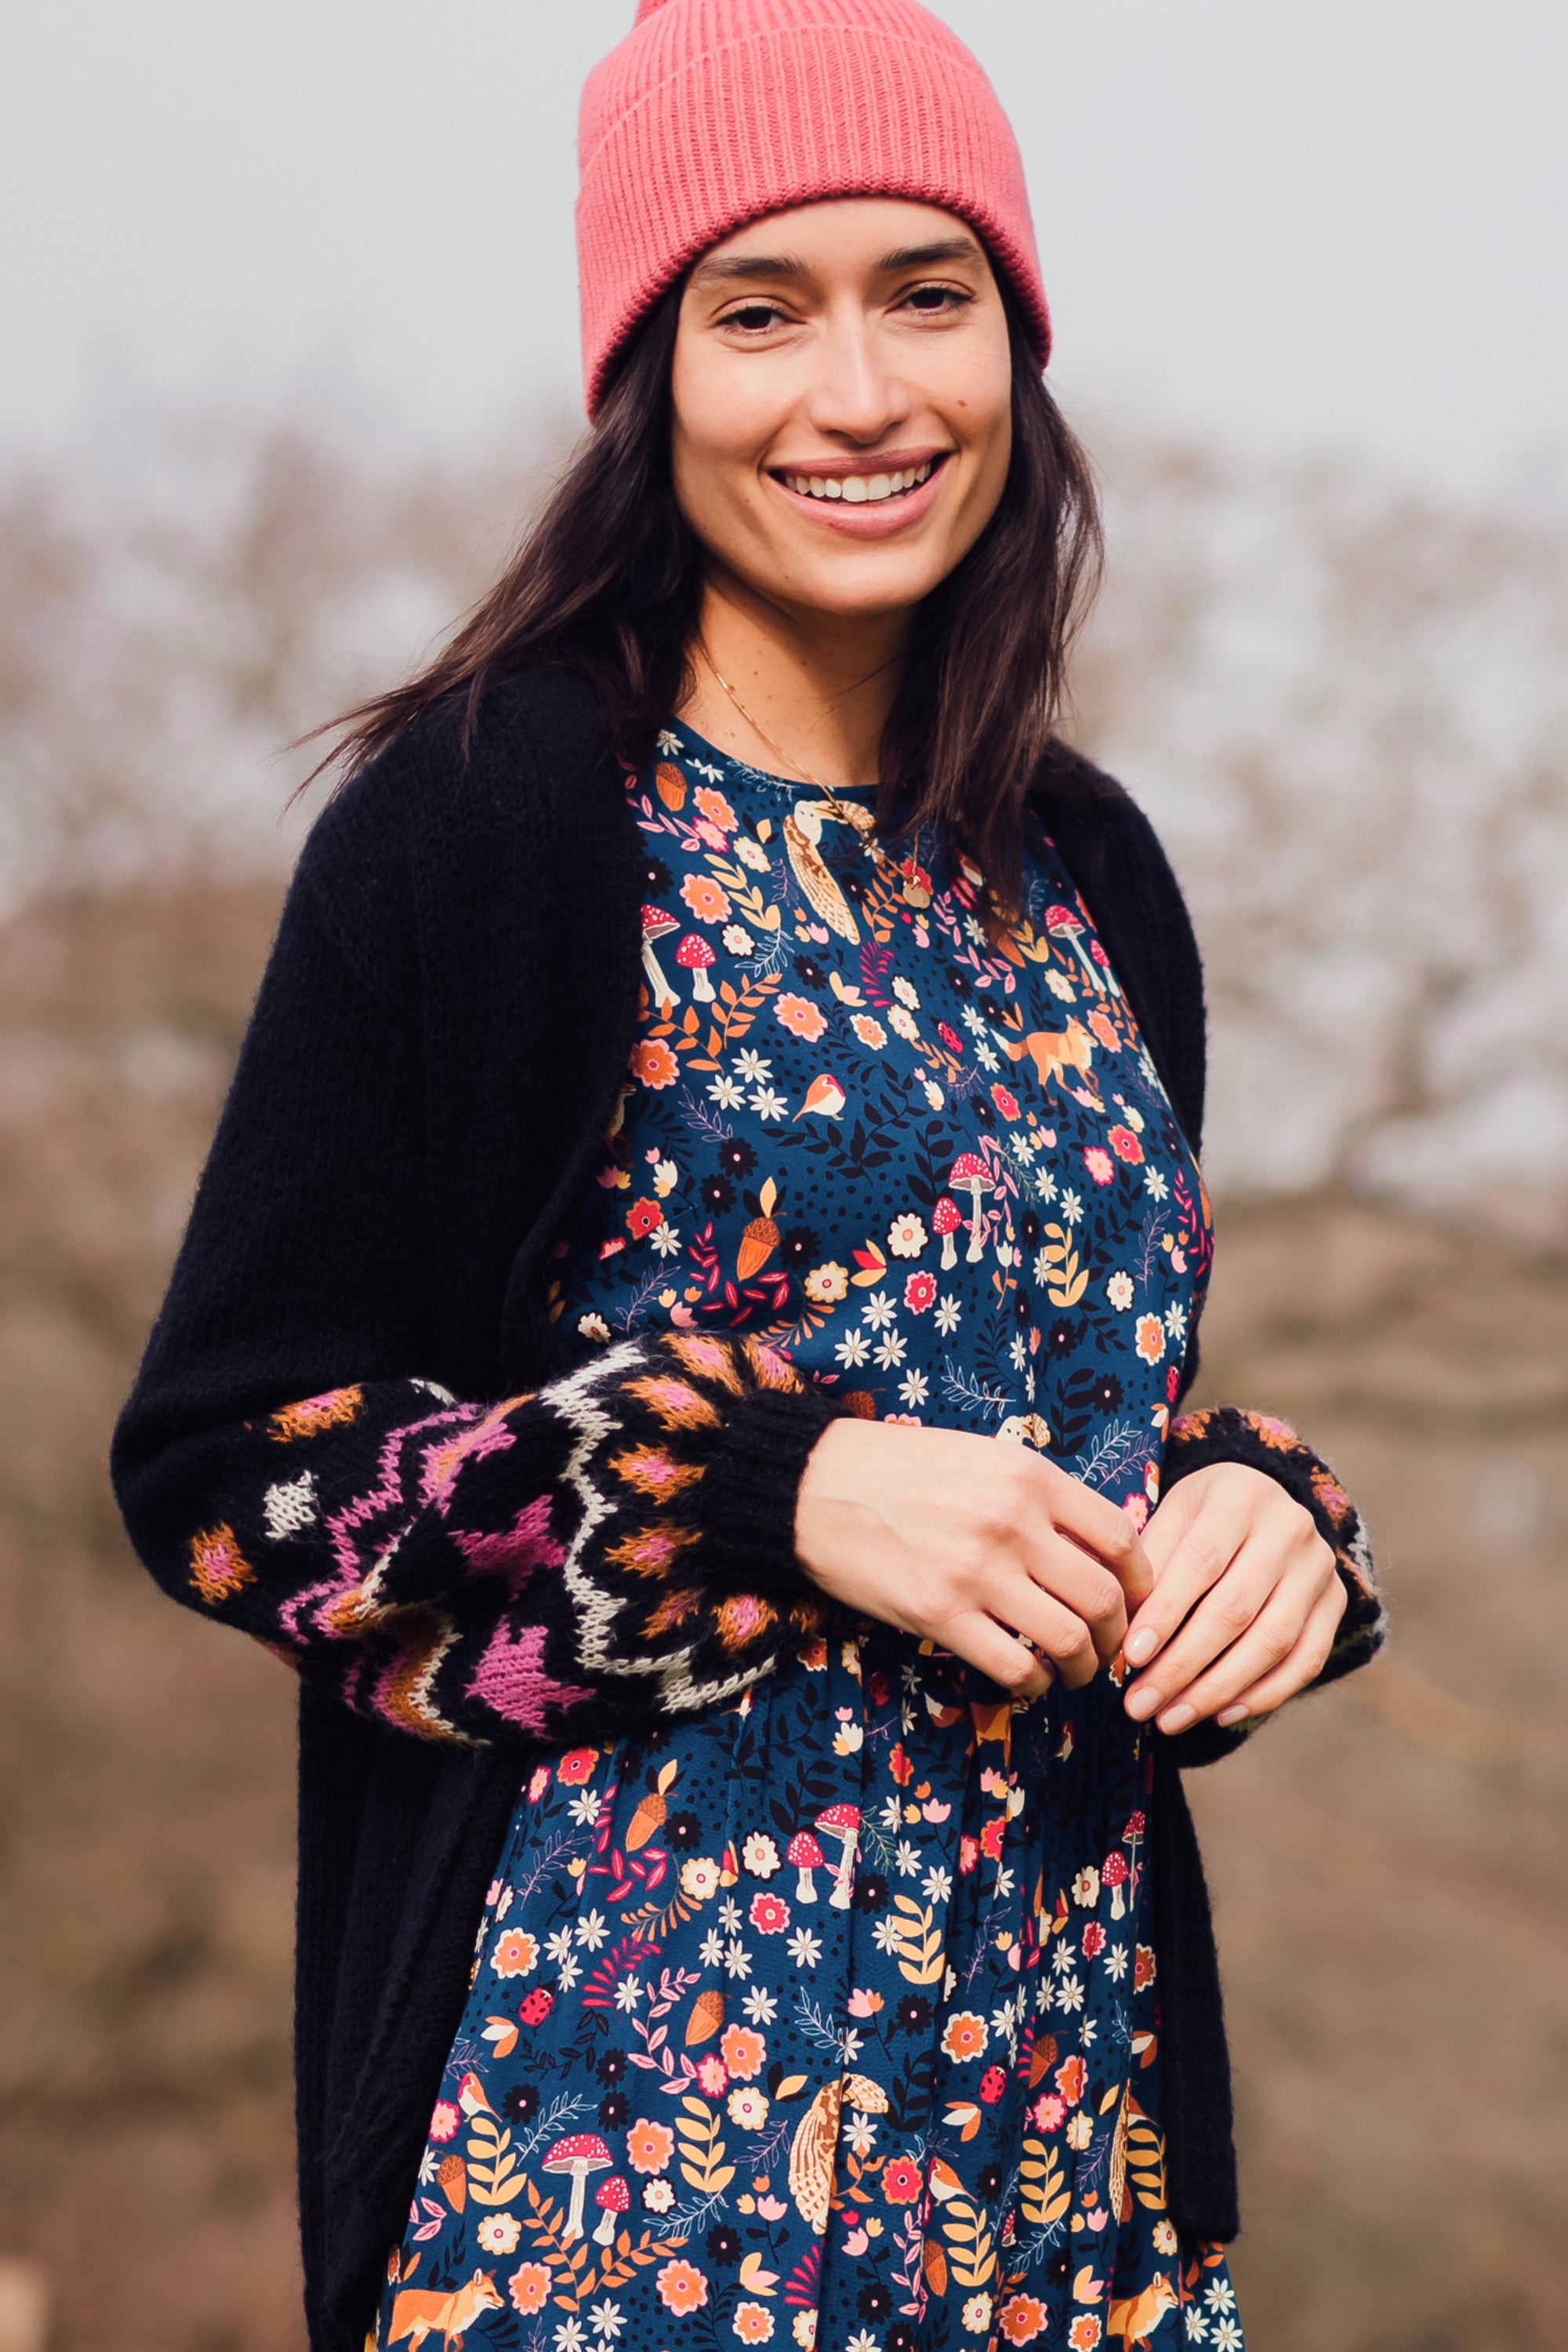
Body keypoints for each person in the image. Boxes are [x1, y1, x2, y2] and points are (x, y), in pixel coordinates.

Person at [111, 5, 1385, 2347]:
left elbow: (1038, 1422)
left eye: (929, 293)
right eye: (762, 311)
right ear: (650, 377)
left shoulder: (1090, 871)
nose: (863, 392)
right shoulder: (485, 822)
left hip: (1064, 2172)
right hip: (616, 2180)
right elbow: (230, 1482)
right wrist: (760, 1490)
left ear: (1018, 342)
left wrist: (1251, 1522)